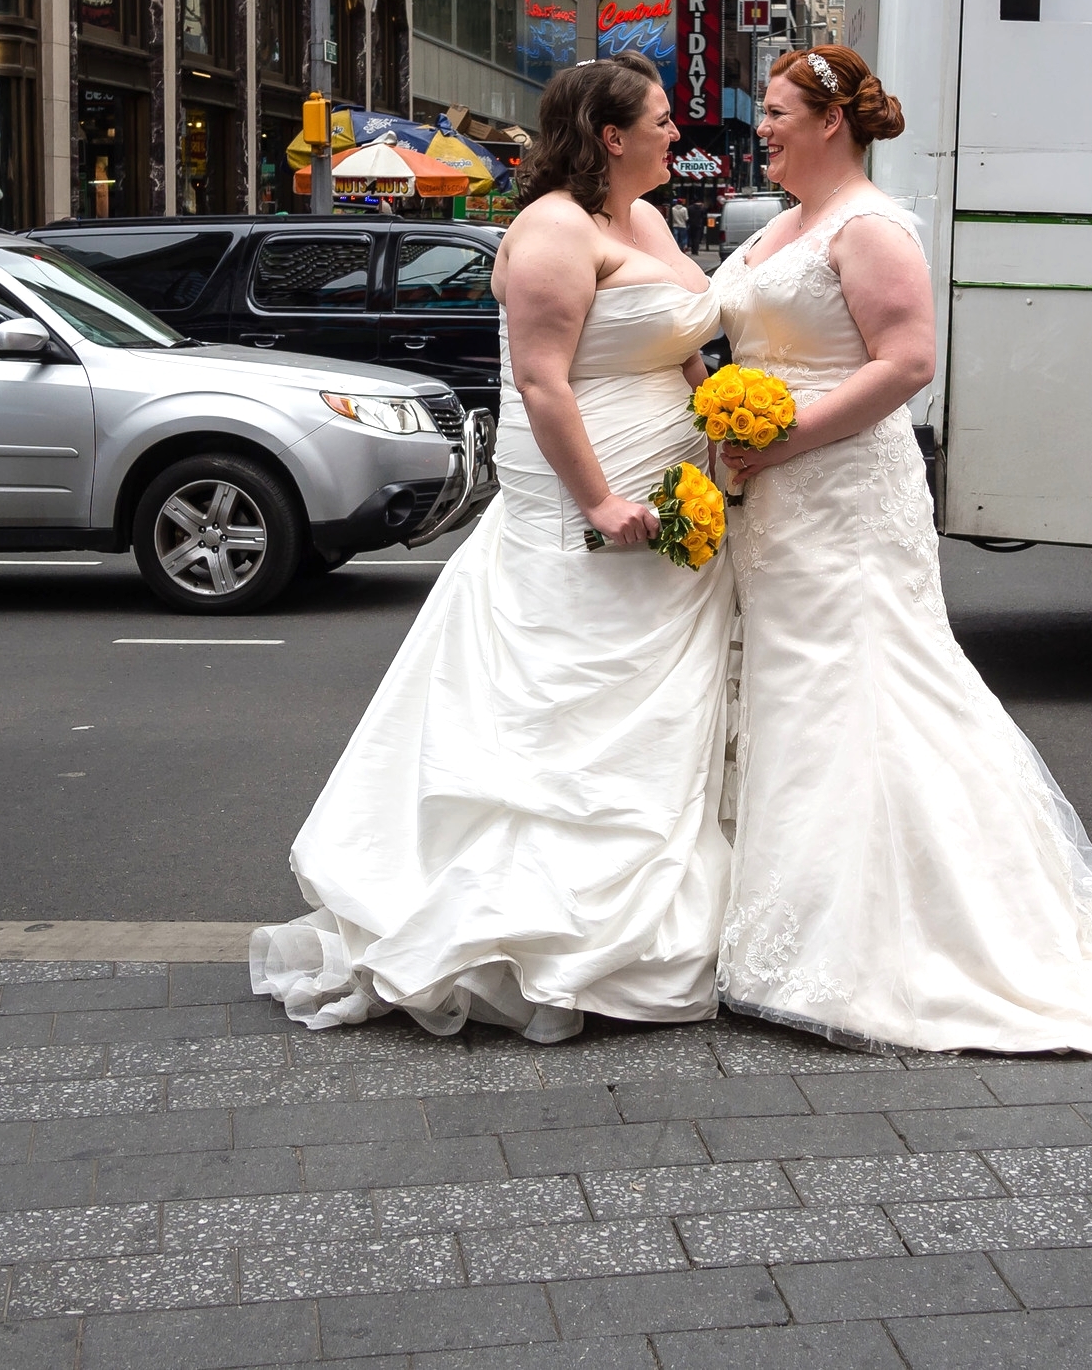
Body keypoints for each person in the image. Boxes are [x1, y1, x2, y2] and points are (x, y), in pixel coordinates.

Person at [708, 44, 1092, 1059]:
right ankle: (784, 911)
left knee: (871, 683)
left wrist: (780, 440)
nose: (765, 124)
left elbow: (907, 362)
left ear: (829, 120)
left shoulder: (871, 227)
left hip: (840, 492)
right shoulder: (781, 228)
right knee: (793, 688)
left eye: (779, 109)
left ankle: (891, 934)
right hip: (773, 500)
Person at [253, 54, 737, 1044]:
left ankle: (653, 918)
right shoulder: (551, 230)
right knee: (561, 719)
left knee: (653, 716)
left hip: (675, 509)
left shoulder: (641, 218)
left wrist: (717, 411)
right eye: (658, 121)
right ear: (609, 136)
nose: (673, 135)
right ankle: (531, 937)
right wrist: (599, 501)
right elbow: (544, 382)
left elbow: (682, 330)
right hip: (584, 509)